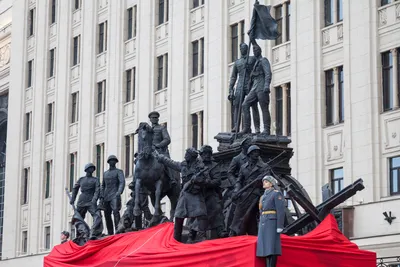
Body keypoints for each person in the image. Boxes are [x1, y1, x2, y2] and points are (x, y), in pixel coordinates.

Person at [156, 148, 208, 242]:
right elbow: (172, 163)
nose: (185, 156)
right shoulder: (183, 165)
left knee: (201, 213)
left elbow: (205, 180)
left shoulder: (200, 167)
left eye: (187, 154)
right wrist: (162, 158)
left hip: (195, 193)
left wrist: (196, 180)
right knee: (179, 216)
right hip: (185, 193)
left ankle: (202, 236)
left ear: (191, 156)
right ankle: (176, 239)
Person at [187, 145, 227, 243]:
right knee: (200, 212)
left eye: (209, 153)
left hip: (210, 192)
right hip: (198, 193)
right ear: (201, 154)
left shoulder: (215, 165)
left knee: (216, 207)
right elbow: (190, 177)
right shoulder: (196, 165)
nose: (207, 155)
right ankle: (194, 232)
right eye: (204, 153)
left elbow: (217, 181)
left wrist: (206, 182)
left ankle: (220, 229)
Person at [229, 145, 268, 236]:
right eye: (254, 152)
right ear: (249, 154)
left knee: (247, 213)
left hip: (257, 193)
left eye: (257, 152)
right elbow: (239, 181)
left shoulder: (264, 166)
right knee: (240, 210)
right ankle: (236, 229)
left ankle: (238, 230)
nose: (256, 154)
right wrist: (237, 190)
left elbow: (267, 180)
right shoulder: (243, 167)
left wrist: (259, 181)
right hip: (246, 192)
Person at [240, 43, 272, 135]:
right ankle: (247, 127)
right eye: (253, 51)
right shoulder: (255, 63)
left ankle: (266, 129)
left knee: (264, 108)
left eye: (256, 50)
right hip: (254, 87)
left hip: (262, 86)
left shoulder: (263, 60)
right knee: (245, 104)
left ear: (260, 51)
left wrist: (267, 85)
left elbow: (268, 73)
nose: (254, 52)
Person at [228, 43, 260, 133]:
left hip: (250, 84)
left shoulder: (252, 59)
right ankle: (236, 126)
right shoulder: (237, 62)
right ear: (240, 50)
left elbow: (258, 67)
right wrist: (230, 89)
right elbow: (233, 77)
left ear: (247, 49)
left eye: (244, 48)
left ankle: (257, 127)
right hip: (240, 85)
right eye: (241, 48)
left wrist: (249, 69)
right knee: (237, 106)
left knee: (254, 105)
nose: (243, 50)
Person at [224, 137, 253, 231]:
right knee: (235, 205)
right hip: (240, 186)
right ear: (243, 146)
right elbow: (230, 173)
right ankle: (229, 229)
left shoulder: (254, 157)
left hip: (252, 187)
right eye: (248, 144)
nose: (250, 146)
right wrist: (236, 184)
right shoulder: (237, 159)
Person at [256, 175, 285, 267]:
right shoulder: (263, 196)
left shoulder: (276, 194)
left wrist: (279, 226)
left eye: (267, 181)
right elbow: (261, 211)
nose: (264, 183)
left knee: (271, 248)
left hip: (272, 222)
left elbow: (280, 210)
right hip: (264, 222)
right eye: (264, 181)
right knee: (265, 248)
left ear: (272, 183)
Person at [70, 163, 103, 238]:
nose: (92, 170)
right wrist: (73, 199)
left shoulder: (95, 179)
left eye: (93, 168)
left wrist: (94, 200)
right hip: (81, 200)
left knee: (97, 216)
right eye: (90, 168)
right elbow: (75, 189)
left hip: (91, 200)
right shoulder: (81, 179)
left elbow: (97, 190)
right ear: (87, 169)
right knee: (78, 217)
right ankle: (80, 234)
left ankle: (94, 232)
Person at [147, 111, 178, 187]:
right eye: (152, 118)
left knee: (167, 161)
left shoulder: (162, 128)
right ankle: (135, 181)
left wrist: (159, 145)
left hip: (161, 151)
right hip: (150, 151)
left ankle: (172, 178)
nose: (154, 119)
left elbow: (167, 139)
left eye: (156, 118)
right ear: (150, 119)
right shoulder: (148, 130)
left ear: (158, 119)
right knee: (138, 160)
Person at [100, 155, 125, 235]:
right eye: (111, 160)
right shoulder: (105, 173)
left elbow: (122, 182)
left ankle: (118, 229)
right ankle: (110, 232)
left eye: (114, 160)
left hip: (115, 194)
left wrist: (119, 192)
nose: (112, 162)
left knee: (115, 212)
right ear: (108, 162)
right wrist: (102, 196)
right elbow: (103, 185)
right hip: (106, 196)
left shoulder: (119, 171)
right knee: (107, 214)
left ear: (115, 162)